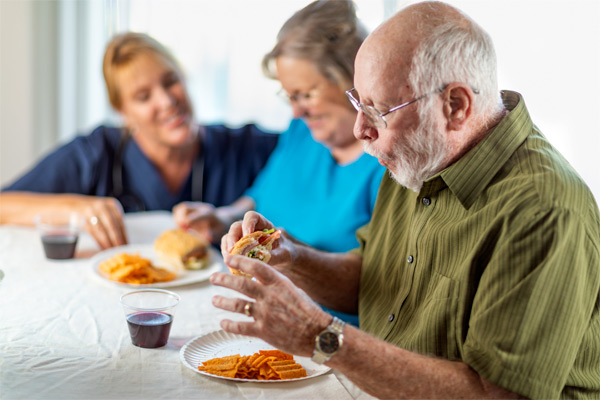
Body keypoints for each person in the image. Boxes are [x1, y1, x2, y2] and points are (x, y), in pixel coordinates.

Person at [211, 1, 600, 398]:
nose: (361, 131)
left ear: (456, 105)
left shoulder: (544, 208)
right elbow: (373, 277)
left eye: (378, 112)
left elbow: (498, 395)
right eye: (357, 104)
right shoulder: (419, 152)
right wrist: (292, 254)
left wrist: (320, 336)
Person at [174, 0, 385, 326]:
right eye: (288, 96)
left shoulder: (388, 165)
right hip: (261, 312)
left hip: (326, 335)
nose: (296, 111)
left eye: (305, 94)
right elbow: (260, 198)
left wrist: (292, 256)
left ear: (352, 80)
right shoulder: (302, 133)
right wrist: (222, 217)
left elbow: (372, 287)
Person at [0, 32, 278, 249]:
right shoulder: (95, 154)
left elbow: (308, 143)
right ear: (123, 112)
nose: (167, 101)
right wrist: (75, 209)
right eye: (143, 97)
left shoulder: (243, 146)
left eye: (171, 81)